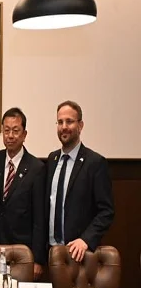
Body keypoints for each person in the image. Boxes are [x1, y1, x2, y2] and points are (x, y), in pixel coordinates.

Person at [46, 100, 114, 262]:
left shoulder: (95, 163)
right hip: (51, 251)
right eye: (60, 122)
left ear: (80, 125)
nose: (64, 127)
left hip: (79, 254)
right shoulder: (52, 160)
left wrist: (86, 239)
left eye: (69, 121)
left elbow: (106, 211)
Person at [0, 108, 45, 278]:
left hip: (23, 251)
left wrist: (37, 259)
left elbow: (39, 218)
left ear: (24, 134)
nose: (10, 136)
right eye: (6, 130)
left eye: (15, 131)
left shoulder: (36, 168)